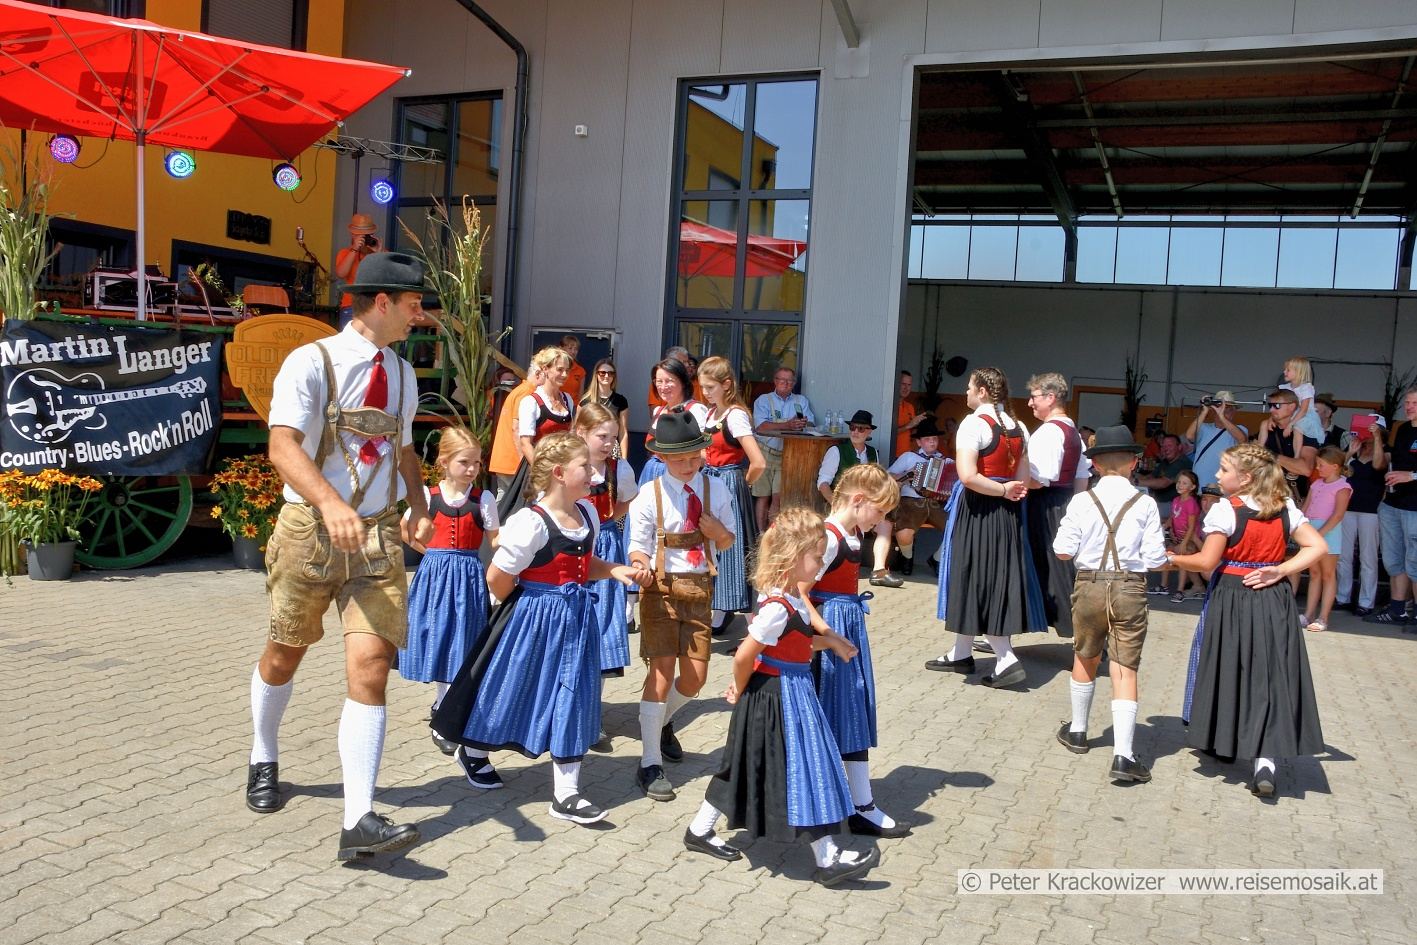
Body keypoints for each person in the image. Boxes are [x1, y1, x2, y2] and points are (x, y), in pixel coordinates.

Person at [244, 252, 431, 860]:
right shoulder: (311, 361)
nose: (418, 314)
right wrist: (329, 504)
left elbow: (405, 451)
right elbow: (282, 447)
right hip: (309, 531)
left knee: (372, 665)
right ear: (382, 302)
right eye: (413, 304)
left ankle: (359, 818)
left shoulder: (402, 374)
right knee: (285, 652)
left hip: (376, 537)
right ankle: (263, 754)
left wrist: (419, 503)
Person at [431, 433, 648, 825]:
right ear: (560, 473)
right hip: (534, 619)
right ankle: (474, 750)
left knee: (575, 695)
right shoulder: (530, 522)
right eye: (585, 466)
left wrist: (614, 570)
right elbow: (497, 577)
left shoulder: (588, 513)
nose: (593, 472)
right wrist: (529, 604)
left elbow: (584, 564)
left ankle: (566, 792)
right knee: (512, 688)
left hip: (577, 619)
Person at [683, 508, 880, 887]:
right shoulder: (776, 605)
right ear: (792, 557)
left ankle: (699, 829)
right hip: (774, 699)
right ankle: (828, 858)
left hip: (793, 693)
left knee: (745, 766)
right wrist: (740, 687)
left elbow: (796, 642)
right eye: (816, 556)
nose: (821, 563)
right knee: (801, 770)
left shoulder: (793, 598)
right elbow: (744, 654)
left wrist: (832, 643)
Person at [1170, 443, 1326, 798]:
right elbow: (1316, 546)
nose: (1217, 475)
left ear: (1245, 478)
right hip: (1274, 599)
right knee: (1268, 675)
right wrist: (1280, 571)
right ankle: (1264, 761)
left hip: (1232, 596)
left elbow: (1206, 562)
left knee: (1229, 666)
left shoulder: (1227, 509)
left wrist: (1171, 559)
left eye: (1224, 469)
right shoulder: (1284, 507)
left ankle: (1224, 741)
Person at [626, 410, 735, 802]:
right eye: (679, 460)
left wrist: (717, 532)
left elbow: (727, 541)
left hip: (700, 591)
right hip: (660, 591)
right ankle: (649, 762)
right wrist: (639, 566)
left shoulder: (715, 489)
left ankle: (662, 721)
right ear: (662, 458)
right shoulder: (649, 494)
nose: (689, 466)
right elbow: (637, 546)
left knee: (694, 679)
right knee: (661, 672)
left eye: (694, 457)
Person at [1051, 425, 1168, 784]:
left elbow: (1062, 550)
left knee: (1085, 655)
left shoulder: (1081, 501)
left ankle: (1078, 730)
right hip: (1130, 587)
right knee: (1124, 667)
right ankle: (1123, 755)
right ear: (1134, 462)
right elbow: (1155, 559)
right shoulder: (1145, 503)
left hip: (1089, 584)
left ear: (1096, 465)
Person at [807, 464, 910, 838]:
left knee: (852, 710)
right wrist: (826, 635)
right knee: (837, 711)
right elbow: (799, 592)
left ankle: (859, 803)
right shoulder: (829, 537)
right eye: (879, 511)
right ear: (858, 499)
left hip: (845, 629)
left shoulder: (850, 533)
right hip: (830, 635)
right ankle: (854, 804)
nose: (881, 520)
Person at [927, 367, 1044, 689]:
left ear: (981, 391)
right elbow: (1022, 478)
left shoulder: (973, 423)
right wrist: (1009, 491)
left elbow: (968, 476)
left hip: (979, 509)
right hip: (1007, 513)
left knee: (973, 576)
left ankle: (1005, 659)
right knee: (987, 576)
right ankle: (961, 652)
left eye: (969, 387)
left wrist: (1001, 490)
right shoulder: (1019, 426)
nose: (965, 392)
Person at [397, 427, 500, 755]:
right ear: (444, 462)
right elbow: (405, 529)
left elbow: (495, 541)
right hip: (436, 579)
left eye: (476, 463)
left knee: (463, 641)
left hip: (469, 578)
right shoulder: (428, 497)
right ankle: (443, 709)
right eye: (464, 462)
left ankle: (448, 707)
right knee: (440, 637)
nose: (472, 469)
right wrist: (432, 554)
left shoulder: (483, 499)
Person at [697, 356, 767, 632]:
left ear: (726, 385)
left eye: (710, 387)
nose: (705, 393)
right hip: (710, 481)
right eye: (703, 387)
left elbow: (758, 462)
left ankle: (757, 632)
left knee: (734, 553)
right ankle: (719, 613)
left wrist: (742, 484)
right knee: (713, 549)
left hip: (728, 483)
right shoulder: (711, 413)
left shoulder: (735, 416)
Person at [574, 404, 638, 692]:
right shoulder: (569, 467)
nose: (608, 444)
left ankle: (595, 697)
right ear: (581, 432)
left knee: (603, 614)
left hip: (606, 544)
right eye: (602, 436)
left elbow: (628, 499)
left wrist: (608, 519)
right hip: (574, 545)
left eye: (613, 437)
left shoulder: (618, 468)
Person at [1023, 372, 1092, 637]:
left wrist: (1010, 482)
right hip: (1062, 503)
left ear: (1050, 397)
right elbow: (1082, 477)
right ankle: (1084, 634)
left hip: (1044, 507)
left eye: (1034, 397)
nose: (1030, 403)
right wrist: (1074, 508)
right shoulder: (1072, 430)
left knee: (1047, 569)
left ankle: (1082, 634)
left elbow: (1039, 480)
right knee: (1060, 569)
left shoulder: (1049, 432)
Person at [816, 409, 903, 588]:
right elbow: (823, 484)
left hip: (866, 507)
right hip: (839, 506)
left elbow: (878, 484)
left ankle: (878, 571)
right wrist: (837, 506)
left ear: (869, 431)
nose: (855, 432)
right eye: (853, 428)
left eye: (861, 429)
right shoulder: (836, 451)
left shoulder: (873, 453)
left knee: (885, 524)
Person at [498, 347, 576, 520]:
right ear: (546, 369)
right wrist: (543, 473)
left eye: (567, 370)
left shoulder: (568, 400)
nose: (564, 374)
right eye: (560, 369)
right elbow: (525, 443)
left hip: (562, 469)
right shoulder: (531, 401)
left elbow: (571, 436)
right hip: (537, 469)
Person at [1367, 387, 1417, 627]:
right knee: (1394, 560)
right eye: (1407, 403)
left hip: (1415, 508)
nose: (1408, 407)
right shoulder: (1403, 429)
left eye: (1414, 403)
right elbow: (1386, 463)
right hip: (1393, 504)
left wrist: (1411, 476)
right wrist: (1377, 438)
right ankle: (1398, 610)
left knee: (1415, 563)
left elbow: (1408, 471)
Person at [751, 365, 814, 531]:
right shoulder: (764, 400)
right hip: (764, 452)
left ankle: (772, 535)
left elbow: (812, 423)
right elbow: (760, 426)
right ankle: (760, 535)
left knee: (778, 497)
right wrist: (788, 425)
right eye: (782, 380)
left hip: (787, 455)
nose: (786, 384)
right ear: (775, 381)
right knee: (763, 496)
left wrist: (804, 423)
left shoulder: (801, 401)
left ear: (794, 383)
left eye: (790, 381)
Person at [885, 417, 950, 576]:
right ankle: (907, 557)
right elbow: (887, 476)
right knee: (904, 533)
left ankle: (936, 559)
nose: (932, 442)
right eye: (927, 439)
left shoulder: (946, 461)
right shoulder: (909, 457)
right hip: (911, 502)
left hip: (935, 503)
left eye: (934, 438)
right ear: (919, 442)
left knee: (958, 529)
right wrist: (907, 475)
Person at [1337, 417, 1387, 617]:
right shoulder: (1355, 450)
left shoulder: (1385, 452)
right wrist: (1349, 452)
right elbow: (1337, 471)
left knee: (1368, 557)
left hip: (1371, 510)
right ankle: (1343, 597)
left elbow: (1379, 465)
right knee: (1344, 556)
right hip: (1348, 508)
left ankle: (1366, 601)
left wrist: (1377, 439)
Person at [1301, 446, 1351, 633]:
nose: (1317, 468)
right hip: (1311, 530)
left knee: (1328, 575)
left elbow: (1338, 515)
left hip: (1328, 532)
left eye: (1321, 465)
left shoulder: (1343, 487)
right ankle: (1308, 614)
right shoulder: (1316, 484)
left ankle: (1323, 618)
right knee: (1314, 573)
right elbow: (1306, 507)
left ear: (1335, 466)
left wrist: (1319, 534)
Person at [639, 357, 710, 486]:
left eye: (669, 381)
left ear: (683, 382)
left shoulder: (695, 410)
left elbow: (703, 452)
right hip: (651, 472)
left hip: (680, 476)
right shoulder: (658, 411)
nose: (663, 386)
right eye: (659, 381)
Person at [488, 363, 541, 502]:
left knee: (503, 500)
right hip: (513, 460)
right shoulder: (527, 392)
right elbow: (516, 428)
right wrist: (524, 461)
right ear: (538, 374)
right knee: (520, 501)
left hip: (504, 458)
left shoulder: (520, 390)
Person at [1258, 388, 1319, 502]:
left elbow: (1306, 469)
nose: (1271, 410)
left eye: (1276, 405)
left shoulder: (1306, 431)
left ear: (1291, 407)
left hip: (1294, 498)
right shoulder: (1267, 427)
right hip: (1265, 496)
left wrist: (1270, 456)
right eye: (1270, 405)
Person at [1183, 391, 1248, 488]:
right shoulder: (1204, 428)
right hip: (1199, 485)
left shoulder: (1240, 429)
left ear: (1234, 412)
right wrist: (1204, 411)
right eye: (1219, 407)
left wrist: (1222, 416)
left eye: (1228, 408)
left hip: (1223, 487)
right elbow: (1189, 436)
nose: (1223, 410)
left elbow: (1242, 439)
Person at [333, 213, 380, 329]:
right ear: (353, 235)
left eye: (368, 235)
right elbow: (341, 273)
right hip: (351, 306)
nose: (365, 239)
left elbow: (388, 278)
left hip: (375, 306)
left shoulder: (381, 253)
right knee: (350, 340)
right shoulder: (345, 253)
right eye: (361, 235)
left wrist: (379, 254)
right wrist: (354, 249)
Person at [580, 357, 631, 460]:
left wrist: (624, 459)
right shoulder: (585, 401)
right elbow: (579, 429)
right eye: (602, 373)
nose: (606, 376)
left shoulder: (621, 401)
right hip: (590, 448)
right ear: (596, 375)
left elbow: (623, 431)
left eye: (610, 373)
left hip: (611, 448)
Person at [1166, 470, 1206, 601]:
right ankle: (1164, 586)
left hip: (1189, 540)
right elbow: (1173, 518)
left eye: (1184, 483)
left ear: (1192, 487)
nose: (1180, 485)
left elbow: (1192, 527)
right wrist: (1170, 530)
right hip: (1179, 539)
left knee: (1184, 558)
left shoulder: (1191, 503)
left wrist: (1184, 543)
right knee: (1168, 553)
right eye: (1179, 482)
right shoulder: (1176, 500)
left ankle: (1180, 590)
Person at [1280, 356, 1323, 442]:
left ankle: (1297, 450)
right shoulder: (1285, 388)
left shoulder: (1306, 388)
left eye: (1288, 370)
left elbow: (1303, 410)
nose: (1284, 372)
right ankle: (1260, 446)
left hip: (1304, 416)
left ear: (1298, 372)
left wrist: (1290, 424)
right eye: (1285, 369)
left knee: (1298, 428)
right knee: (1265, 424)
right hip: (1290, 414)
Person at [894, 370, 927, 459]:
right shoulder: (890, 406)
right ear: (896, 383)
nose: (906, 388)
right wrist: (909, 425)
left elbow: (912, 432)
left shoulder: (910, 407)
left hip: (907, 455)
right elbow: (888, 433)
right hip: (892, 455)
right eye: (903, 384)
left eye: (909, 385)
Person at [559, 334, 587, 400]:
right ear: (561, 349)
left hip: (573, 405)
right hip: (556, 404)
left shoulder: (580, 371)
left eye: (576, 349)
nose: (573, 352)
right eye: (570, 348)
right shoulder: (553, 368)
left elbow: (580, 396)